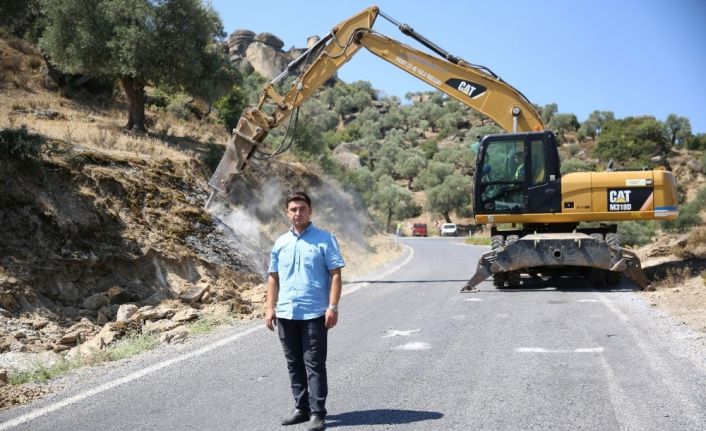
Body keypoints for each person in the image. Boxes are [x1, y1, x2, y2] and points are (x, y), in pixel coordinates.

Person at [265, 191, 345, 431]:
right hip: (286, 313)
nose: (297, 213)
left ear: (310, 211)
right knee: (293, 363)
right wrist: (270, 307)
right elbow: (273, 278)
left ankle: (318, 413)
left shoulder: (325, 239)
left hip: (314, 314)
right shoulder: (280, 242)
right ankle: (301, 409)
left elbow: (336, 275)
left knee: (314, 364)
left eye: (302, 208)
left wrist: (333, 307)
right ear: (287, 212)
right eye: (293, 209)